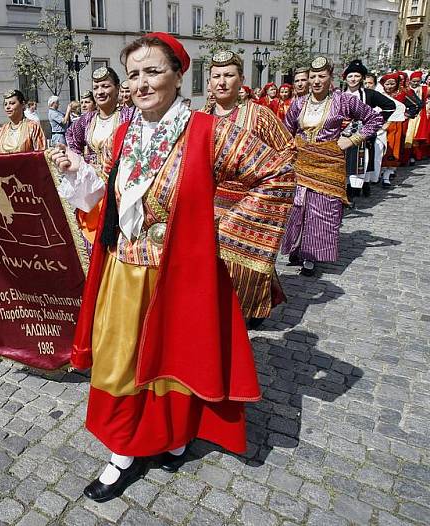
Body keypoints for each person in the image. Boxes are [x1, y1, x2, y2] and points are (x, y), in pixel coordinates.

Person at [51, 32, 295, 503]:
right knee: (120, 359)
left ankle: (175, 436)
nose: (141, 83)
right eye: (135, 74)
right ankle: (123, 450)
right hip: (125, 268)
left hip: (182, 275)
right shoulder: (124, 131)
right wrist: (73, 173)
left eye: (153, 71)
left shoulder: (209, 131)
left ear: (179, 76)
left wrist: (213, 233)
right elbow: (104, 194)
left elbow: (276, 174)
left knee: (178, 359)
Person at [201, 50, 296, 329]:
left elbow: (287, 152)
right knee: (215, 260)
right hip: (211, 200)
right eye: (216, 76)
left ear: (241, 79)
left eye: (229, 75)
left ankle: (252, 307)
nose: (222, 82)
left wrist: (267, 192)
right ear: (208, 82)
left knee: (250, 260)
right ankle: (218, 309)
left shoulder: (260, 115)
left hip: (251, 199)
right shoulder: (200, 118)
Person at [281, 57, 383, 277]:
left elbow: (373, 119)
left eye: (321, 76)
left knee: (321, 210)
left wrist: (352, 140)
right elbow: (285, 131)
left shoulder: (343, 100)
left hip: (329, 164)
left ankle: (311, 255)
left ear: (331, 78)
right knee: (298, 207)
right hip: (302, 163)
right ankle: (297, 248)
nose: (316, 81)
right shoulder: (298, 103)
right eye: (312, 77)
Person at [64, 67, 136, 246]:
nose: (100, 92)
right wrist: (80, 164)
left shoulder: (130, 116)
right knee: (89, 240)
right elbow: (72, 139)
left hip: (119, 189)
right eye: (96, 87)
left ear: (118, 88)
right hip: (92, 188)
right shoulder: (86, 120)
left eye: (106, 86)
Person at [342, 59, 395, 201]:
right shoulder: (339, 94)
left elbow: (390, 106)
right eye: (350, 76)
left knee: (357, 165)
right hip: (341, 136)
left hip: (360, 136)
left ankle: (352, 195)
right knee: (342, 165)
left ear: (362, 78)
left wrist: (374, 122)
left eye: (357, 76)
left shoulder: (369, 94)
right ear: (345, 78)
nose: (353, 79)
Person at [379, 72, 408, 187]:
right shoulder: (378, 94)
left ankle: (387, 175)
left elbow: (417, 104)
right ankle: (378, 172)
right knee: (380, 148)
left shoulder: (402, 94)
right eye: (387, 84)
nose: (390, 86)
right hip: (381, 125)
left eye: (392, 84)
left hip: (395, 125)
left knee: (392, 149)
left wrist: (407, 115)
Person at [404, 71, 430, 163]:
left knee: (415, 137)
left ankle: (415, 155)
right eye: (413, 81)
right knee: (407, 136)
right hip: (407, 115)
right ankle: (406, 157)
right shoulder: (405, 89)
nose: (415, 83)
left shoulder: (424, 89)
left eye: (417, 81)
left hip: (419, 116)